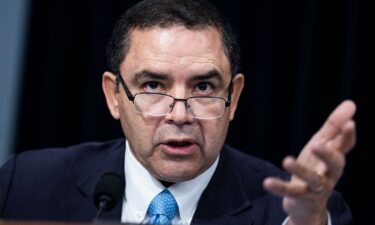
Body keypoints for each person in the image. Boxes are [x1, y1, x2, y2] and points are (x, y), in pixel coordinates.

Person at [0, 0, 356, 224]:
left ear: (234, 96)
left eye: (203, 88)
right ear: (113, 96)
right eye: (154, 85)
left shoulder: (295, 211)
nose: (181, 115)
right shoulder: (25, 184)